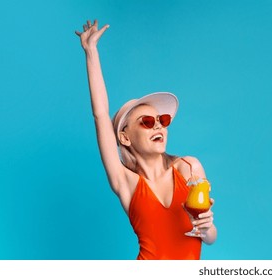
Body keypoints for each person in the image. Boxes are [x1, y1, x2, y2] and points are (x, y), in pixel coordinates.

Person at [75, 19, 217, 260]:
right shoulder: (126, 183)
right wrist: (91, 52)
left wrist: (206, 227)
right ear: (125, 137)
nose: (158, 125)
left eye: (162, 120)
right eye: (147, 122)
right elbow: (100, 114)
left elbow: (210, 238)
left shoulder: (189, 168)